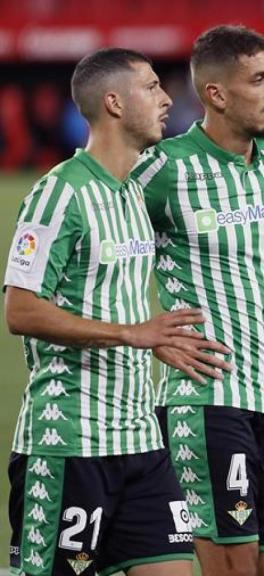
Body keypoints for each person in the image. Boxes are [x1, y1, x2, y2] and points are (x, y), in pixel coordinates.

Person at [5, 48, 230, 576]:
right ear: (113, 102)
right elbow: (20, 309)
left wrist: (162, 341)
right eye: (151, 87)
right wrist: (131, 335)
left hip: (141, 442)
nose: (166, 98)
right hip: (69, 444)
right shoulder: (59, 193)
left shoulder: (132, 191)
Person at [132, 25, 264, 576]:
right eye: (260, 79)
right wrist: (142, 333)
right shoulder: (163, 169)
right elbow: (104, 250)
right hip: (206, 402)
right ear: (217, 94)